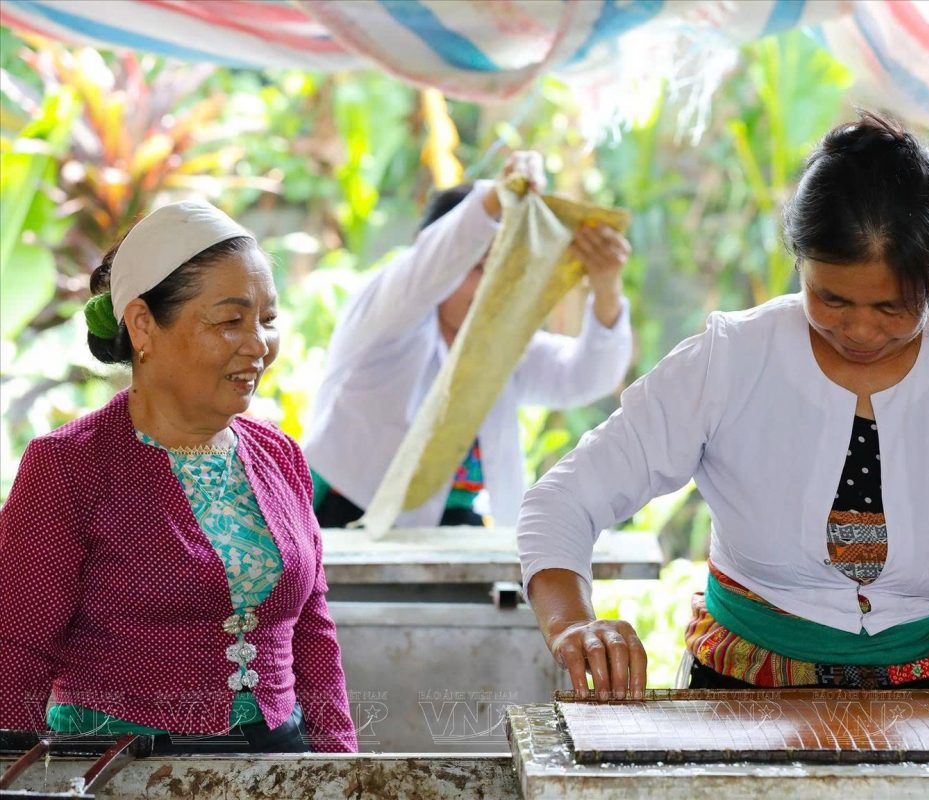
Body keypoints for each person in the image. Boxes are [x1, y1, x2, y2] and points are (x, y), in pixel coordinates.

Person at [516, 113, 929, 704]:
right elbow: (563, 502)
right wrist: (576, 624)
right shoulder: (729, 359)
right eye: (832, 300)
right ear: (801, 263)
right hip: (749, 699)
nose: (861, 331)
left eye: (892, 307)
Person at [0, 202, 357, 753]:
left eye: (268, 320)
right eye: (230, 320)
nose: (259, 344)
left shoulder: (278, 455)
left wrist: (340, 768)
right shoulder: (70, 466)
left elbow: (312, 627)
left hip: (275, 757)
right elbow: (16, 648)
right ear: (144, 325)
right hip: (120, 767)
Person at [304, 151, 633, 528]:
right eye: (479, 267)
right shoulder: (385, 315)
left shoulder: (499, 343)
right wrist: (498, 196)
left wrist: (606, 285)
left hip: (454, 522)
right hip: (345, 514)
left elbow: (583, 378)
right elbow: (439, 259)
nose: (494, 284)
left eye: (506, 269)